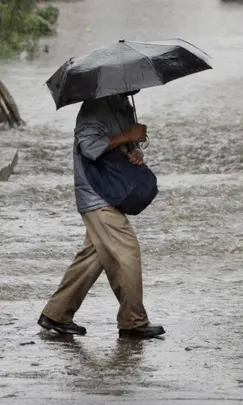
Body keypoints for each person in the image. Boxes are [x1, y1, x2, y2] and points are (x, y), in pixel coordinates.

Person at [37, 92, 165, 338]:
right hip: (96, 194)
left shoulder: (122, 103)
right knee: (128, 251)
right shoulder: (94, 108)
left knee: (93, 257)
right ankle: (133, 321)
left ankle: (56, 314)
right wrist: (128, 135)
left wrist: (134, 149)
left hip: (112, 191)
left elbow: (121, 144)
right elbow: (89, 146)